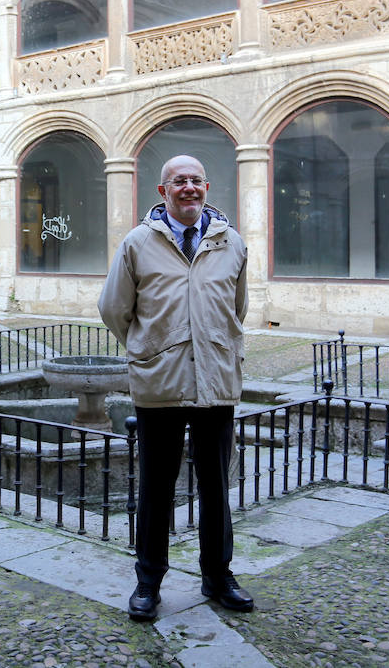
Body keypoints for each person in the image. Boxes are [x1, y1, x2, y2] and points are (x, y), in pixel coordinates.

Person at [98, 154, 254, 622]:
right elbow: (114, 309)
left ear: (207, 188)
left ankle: (218, 575)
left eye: (195, 181)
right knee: (156, 489)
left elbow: (236, 310)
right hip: (159, 384)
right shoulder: (137, 243)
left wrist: (210, 347)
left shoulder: (232, 243)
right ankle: (148, 583)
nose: (188, 187)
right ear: (162, 192)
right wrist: (149, 348)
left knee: (216, 487)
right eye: (177, 181)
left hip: (215, 384)